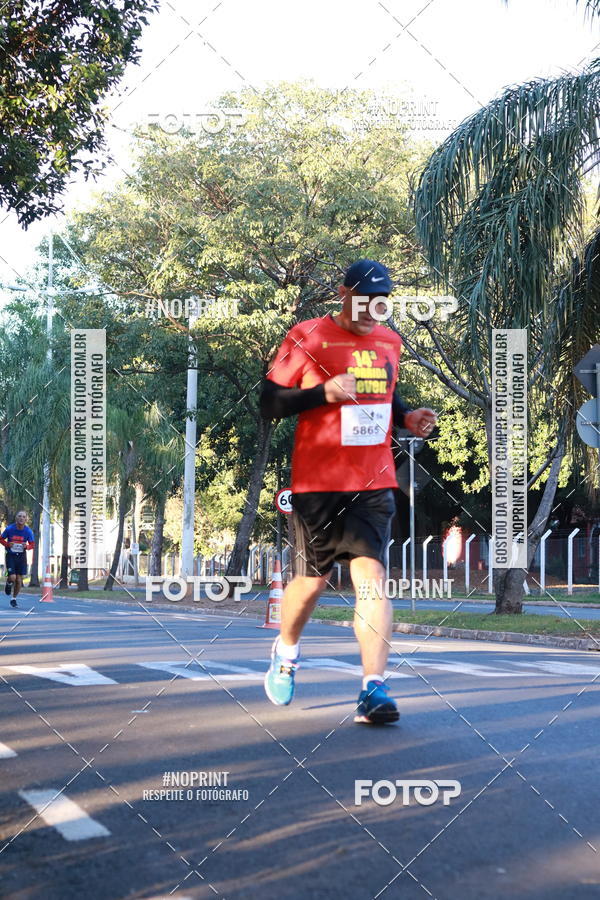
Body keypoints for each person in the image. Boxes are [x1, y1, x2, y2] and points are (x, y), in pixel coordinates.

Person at [260, 259, 437, 724]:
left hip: (374, 480)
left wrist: (407, 418)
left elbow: (386, 395)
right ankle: (287, 649)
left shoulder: (390, 341)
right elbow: (269, 402)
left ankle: (373, 688)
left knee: (371, 581)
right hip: (318, 484)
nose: (370, 312)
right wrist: (323, 395)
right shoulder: (306, 336)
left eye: (379, 304)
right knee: (312, 584)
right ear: (342, 293)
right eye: (362, 301)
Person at [1, 510, 35, 608]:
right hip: (11, 555)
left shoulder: (28, 531)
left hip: (21, 557)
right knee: (13, 577)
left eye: (23, 517)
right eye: (19, 516)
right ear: (16, 518)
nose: (21, 518)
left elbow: (32, 544)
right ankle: (8, 582)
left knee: (19, 580)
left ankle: (14, 599)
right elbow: (1, 539)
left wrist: (26, 546)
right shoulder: (9, 529)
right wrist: (7, 544)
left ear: (26, 519)